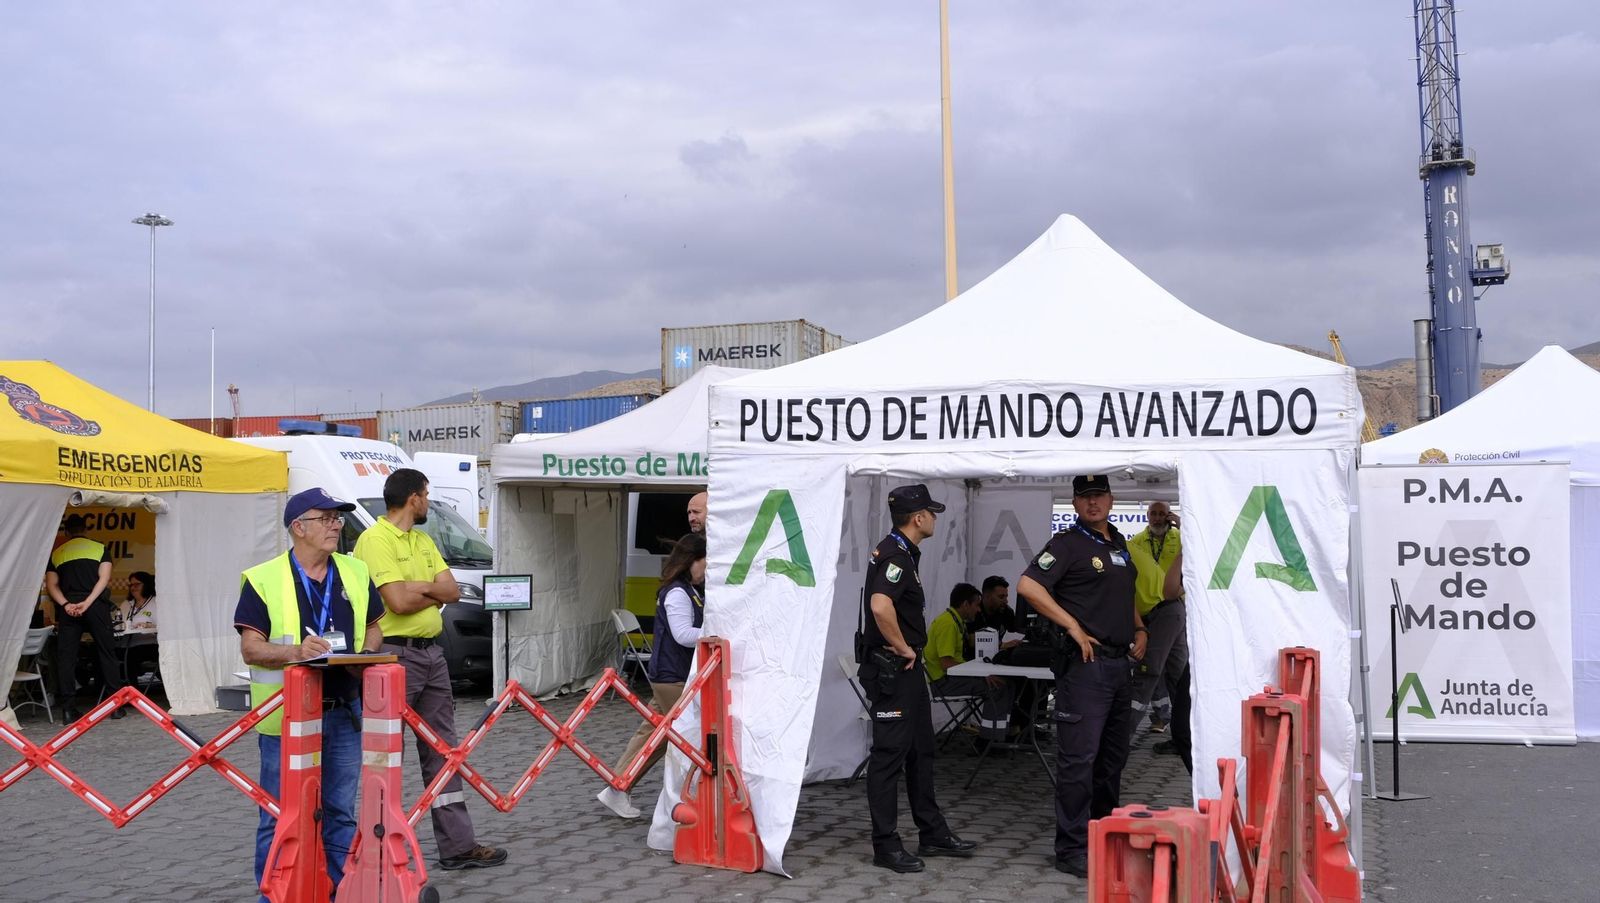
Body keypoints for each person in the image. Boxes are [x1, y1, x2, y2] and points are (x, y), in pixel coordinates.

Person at [353, 469, 508, 871]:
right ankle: (378, 851)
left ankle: (458, 845)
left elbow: (451, 591)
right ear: (414, 499)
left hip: (431, 656)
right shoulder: (375, 540)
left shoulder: (422, 540)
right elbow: (397, 603)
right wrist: (427, 590)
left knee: (443, 750)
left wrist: (417, 587)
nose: (427, 501)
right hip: (393, 656)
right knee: (386, 754)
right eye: (425, 494)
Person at [235, 488, 385, 900]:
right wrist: (295, 653)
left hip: (344, 712)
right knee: (279, 816)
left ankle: (339, 893)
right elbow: (251, 649)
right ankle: (274, 896)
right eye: (327, 518)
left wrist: (366, 656)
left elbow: (374, 627)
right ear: (298, 527)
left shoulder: (355, 571)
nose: (337, 526)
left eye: (338, 519)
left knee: (340, 814)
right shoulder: (263, 578)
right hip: (288, 720)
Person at [1016, 475, 1145, 878]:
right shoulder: (1067, 544)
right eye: (1085, 497)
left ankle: (1104, 839)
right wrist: (1071, 625)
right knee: (1079, 763)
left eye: (1099, 496)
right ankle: (1072, 849)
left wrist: (1140, 627)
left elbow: (1124, 595)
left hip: (1119, 665)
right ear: (1074, 503)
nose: (1093, 503)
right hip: (1086, 668)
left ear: (1111, 499)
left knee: (1112, 760)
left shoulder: (1118, 543)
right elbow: (1028, 585)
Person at [859, 484, 978, 874]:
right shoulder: (895, 555)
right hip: (894, 671)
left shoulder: (903, 553)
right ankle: (885, 844)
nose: (935, 519)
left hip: (907, 675)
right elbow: (881, 606)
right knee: (889, 757)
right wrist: (904, 647)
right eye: (932, 513)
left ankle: (932, 831)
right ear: (919, 517)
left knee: (922, 751)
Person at [599, 532, 706, 819]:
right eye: (705, 563)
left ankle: (618, 787)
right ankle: (691, 797)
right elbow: (683, 634)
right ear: (692, 561)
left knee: (653, 735)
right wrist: (715, 633)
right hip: (673, 676)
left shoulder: (689, 589)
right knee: (686, 736)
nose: (707, 570)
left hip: (669, 673)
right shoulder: (678, 592)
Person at [46, 514, 123, 721]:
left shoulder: (57, 553)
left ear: (66, 532)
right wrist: (88, 603)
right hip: (95, 605)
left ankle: (68, 709)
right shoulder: (100, 548)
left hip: (69, 608)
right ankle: (116, 707)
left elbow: (51, 585)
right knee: (107, 653)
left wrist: (65, 604)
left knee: (66, 658)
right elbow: (104, 579)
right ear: (86, 530)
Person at [925, 583, 1014, 742]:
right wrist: (980, 675)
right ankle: (988, 740)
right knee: (998, 687)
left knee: (1008, 683)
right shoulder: (948, 624)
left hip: (951, 679)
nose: (979, 610)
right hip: (943, 682)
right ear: (966, 605)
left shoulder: (955, 621)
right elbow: (946, 664)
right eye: (977, 605)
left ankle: (1002, 734)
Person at [1127, 502, 1185, 735]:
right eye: (1154, 514)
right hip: (1154, 612)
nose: (1158, 518)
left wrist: (1182, 526)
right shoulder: (1135, 542)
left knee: (1150, 669)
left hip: (1170, 607)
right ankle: (1176, 729)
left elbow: (1199, 552)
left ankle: (1123, 733)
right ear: (1147, 516)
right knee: (1170, 671)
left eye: (1163, 514)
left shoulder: (1180, 537)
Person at [1154, 550, 1194, 772]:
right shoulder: (1206, 556)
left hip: (1241, 656)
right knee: (1181, 729)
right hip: (1203, 658)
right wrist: (1183, 551)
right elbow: (1170, 591)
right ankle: (1207, 787)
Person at [120, 571, 160, 688]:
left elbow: (165, 626)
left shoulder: (156, 602)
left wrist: (149, 626)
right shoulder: (126, 604)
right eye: (131, 585)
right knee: (104, 653)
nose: (133, 588)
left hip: (150, 644)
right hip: (126, 644)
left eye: (136, 584)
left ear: (146, 584)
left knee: (130, 656)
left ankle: (132, 691)